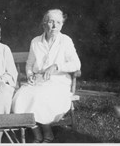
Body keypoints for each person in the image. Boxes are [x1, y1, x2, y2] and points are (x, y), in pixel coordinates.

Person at [12, 9, 81, 143]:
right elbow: (29, 64)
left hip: (58, 82)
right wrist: (30, 75)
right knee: (19, 97)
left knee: (39, 97)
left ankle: (48, 134)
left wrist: (56, 66)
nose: (55, 26)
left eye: (58, 22)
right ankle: (37, 133)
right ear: (44, 24)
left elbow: (76, 64)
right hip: (38, 81)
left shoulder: (65, 41)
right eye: (51, 22)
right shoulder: (36, 42)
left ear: (62, 25)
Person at [0, 21, 18, 143]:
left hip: (2, 85)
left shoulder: (4, 49)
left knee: (0, 98)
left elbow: (11, 73)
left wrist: (0, 81)